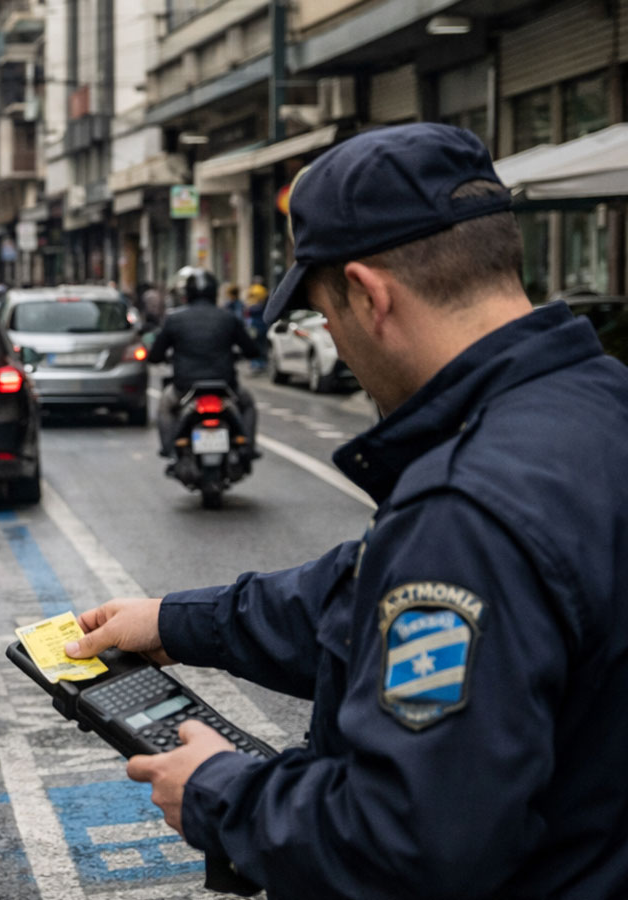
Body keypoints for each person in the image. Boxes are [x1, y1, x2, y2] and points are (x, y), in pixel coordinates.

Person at [64, 123, 628, 897]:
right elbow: (361, 596)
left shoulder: (464, 506)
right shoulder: (602, 407)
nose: (331, 336)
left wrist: (219, 791)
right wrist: (174, 619)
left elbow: (412, 837)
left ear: (369, 294)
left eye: (325, 315)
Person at [148, 267, 261, 457]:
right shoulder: (228, 317)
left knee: (165, 406)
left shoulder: (174, 319)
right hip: (225, 385)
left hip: (184, 387)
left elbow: (155, 355)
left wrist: (165, 357)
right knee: (248, 404)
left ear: (187, 294)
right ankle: (247, 447)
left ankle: (168, 449)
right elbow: (251, 350)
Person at [245, 281, 270, 372]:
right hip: (262, 325)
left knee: (256, 344)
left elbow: (248, 314)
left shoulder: (251, 305)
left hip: (254, 326)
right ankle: (261, 362)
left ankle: (256, 363)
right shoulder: (262, 301)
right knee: (262, 344)